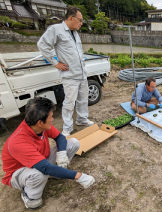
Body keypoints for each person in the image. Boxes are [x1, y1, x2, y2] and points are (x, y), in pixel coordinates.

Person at [1, 97, 95, 209]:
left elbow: (60, 137)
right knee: (39, 173)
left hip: (40, 160)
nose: (53, 119)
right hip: (19, 172)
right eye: (51, 117)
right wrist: (78, 176)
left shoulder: (37, 124)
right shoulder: (18, 142)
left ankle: (57, 172)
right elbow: (44, 168)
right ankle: (30, 197)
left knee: (73, 142)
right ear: (40, 122)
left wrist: (61, 153)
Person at [37, 6, 93, 137]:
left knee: (83, 99)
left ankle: (82, 119)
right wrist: (55, 63)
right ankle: (67, 128)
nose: (81, 23)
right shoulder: (56, 29)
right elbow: (42, 45)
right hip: (70, 75)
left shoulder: (75, 33)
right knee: (69, 102)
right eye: (79, 20)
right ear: (71, 18)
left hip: (81, 74)